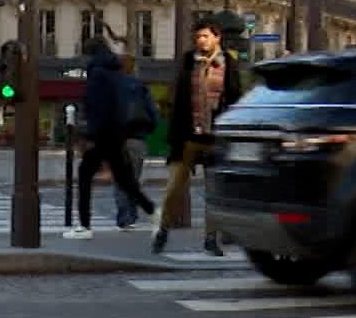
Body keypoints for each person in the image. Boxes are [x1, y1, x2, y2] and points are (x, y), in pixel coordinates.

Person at [154, 18, 243, 256]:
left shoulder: (229, 65)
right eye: (198, 37)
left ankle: (210, 239)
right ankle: (161, 230)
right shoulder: (187, 62)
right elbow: (177, 99)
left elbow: (234, 98)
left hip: (215, 138)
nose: (201, 41)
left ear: (217, 37)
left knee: (213, 192)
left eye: (205, 36)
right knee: (173, 188)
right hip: (187, 136)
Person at [65, 41, 156, 239]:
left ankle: (100, 223)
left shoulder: (100, 76)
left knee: (98, 179)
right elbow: (151, 112)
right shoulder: (135, 84)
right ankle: (147, 211)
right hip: (133, 136)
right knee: (128, 179)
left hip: (107, 135)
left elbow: (95, 108)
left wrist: (89, 135)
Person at [114, 54, 157, 231]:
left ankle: (124, 217)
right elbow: (152, 112)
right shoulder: (140, 87)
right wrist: (148, 129)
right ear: (133, 68)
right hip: (137, 138)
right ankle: (131, 216)